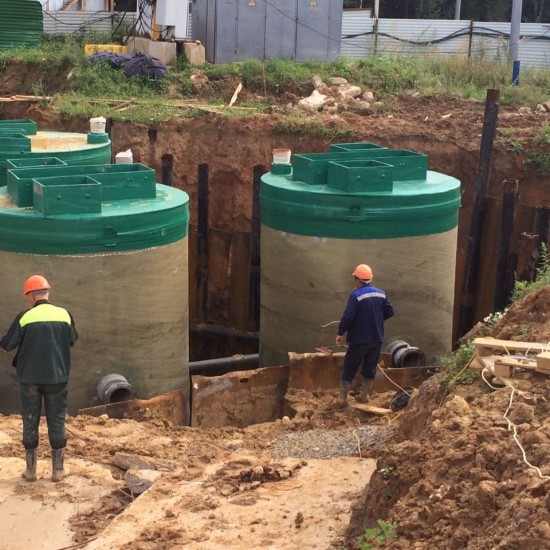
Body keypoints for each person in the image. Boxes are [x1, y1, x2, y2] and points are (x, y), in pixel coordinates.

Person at [0, 275, 78, 482]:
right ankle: (58, 470)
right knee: (57, 418)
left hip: (30, 379)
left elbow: (7, 345)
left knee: (30, 418)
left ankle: (31, 471)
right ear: (47, 292)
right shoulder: (64, 314)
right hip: (57, 377)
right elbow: (72, 340)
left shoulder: (24, 317)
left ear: (30, 296)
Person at [335, 264, 394, 406]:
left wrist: (340, 332)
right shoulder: (381, 293)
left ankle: (343, 399)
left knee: (350, 366)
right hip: (376, 338)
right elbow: (390, 311)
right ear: (370, 279)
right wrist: (376, 320)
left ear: (357, 280)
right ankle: (364, 395)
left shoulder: (356, 296)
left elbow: (348, 317)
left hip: (359, 339)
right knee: (370, 367)